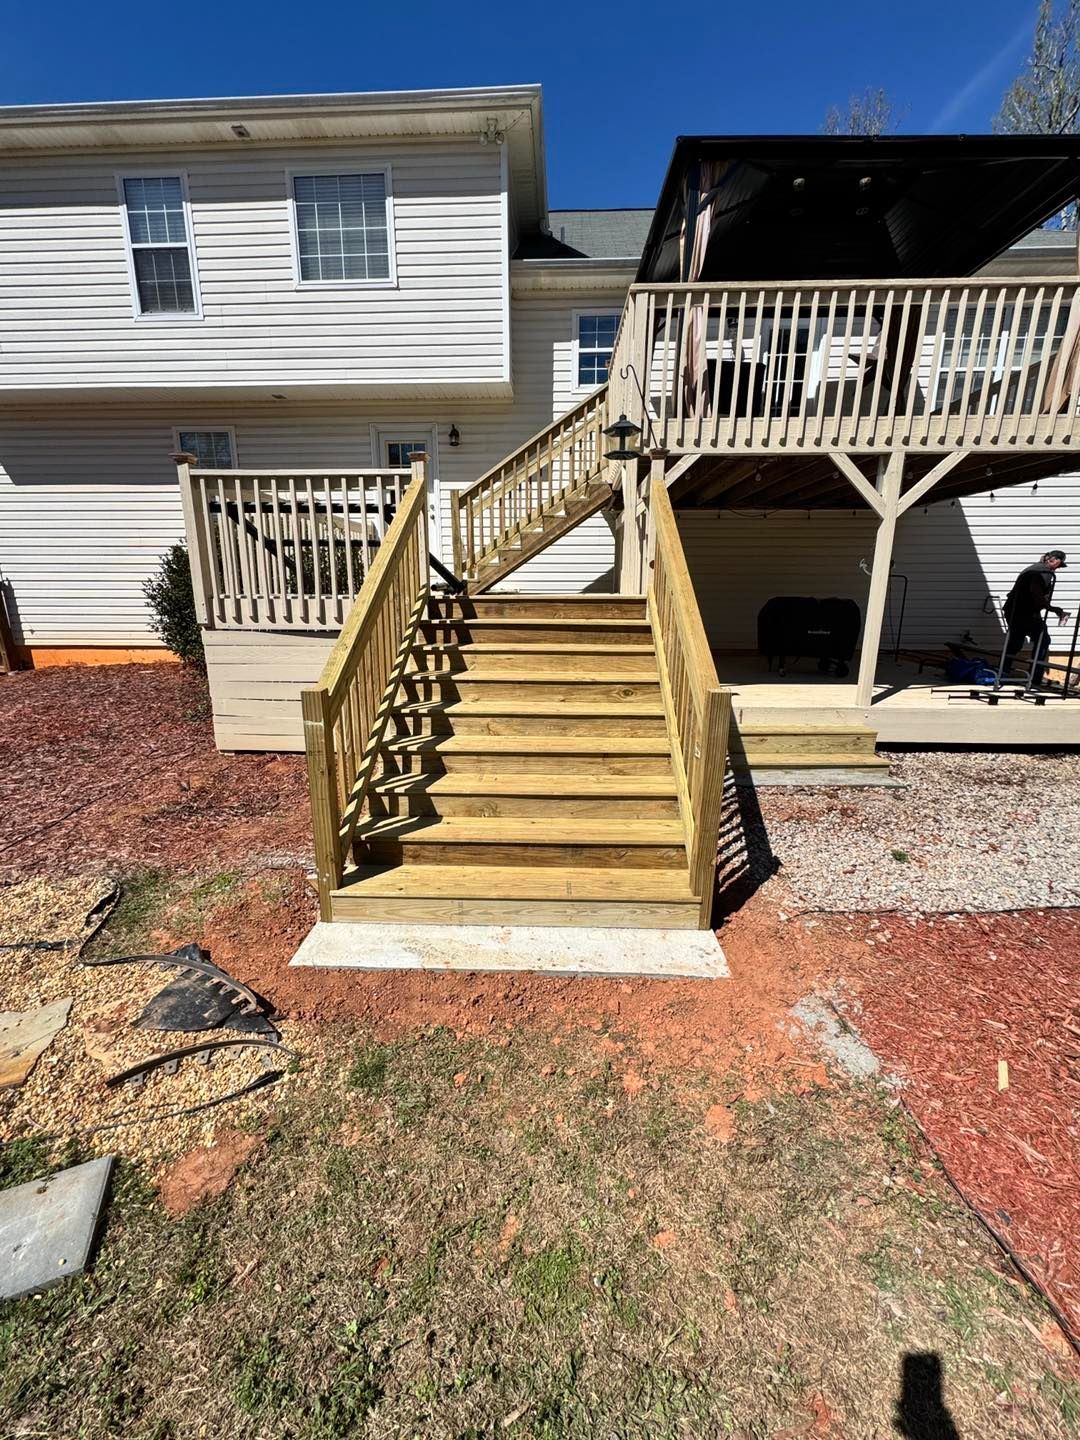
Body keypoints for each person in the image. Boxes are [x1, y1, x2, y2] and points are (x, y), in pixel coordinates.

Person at [1002, 550, 1068, 687]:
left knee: (1015, 641)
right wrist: (1053, 609)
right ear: (1054, 560)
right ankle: (1035, 677)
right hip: (1024, 612)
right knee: (1043, 640)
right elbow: (1036, 594)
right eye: (1059, 565)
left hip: (1016, 610)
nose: (1057, 569)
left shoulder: (1033, 569)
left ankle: (1004, 671)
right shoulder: (1044, 572)